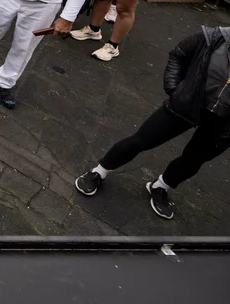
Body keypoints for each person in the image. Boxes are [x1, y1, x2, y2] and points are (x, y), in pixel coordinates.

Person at [74, 25, 230, 220]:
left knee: (193, 161)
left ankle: (161, 186)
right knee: (140, 141)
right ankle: (99, 172)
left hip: (223, 120)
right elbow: (179, 54)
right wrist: (174, 89)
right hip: (188, 104)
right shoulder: (217, 38)